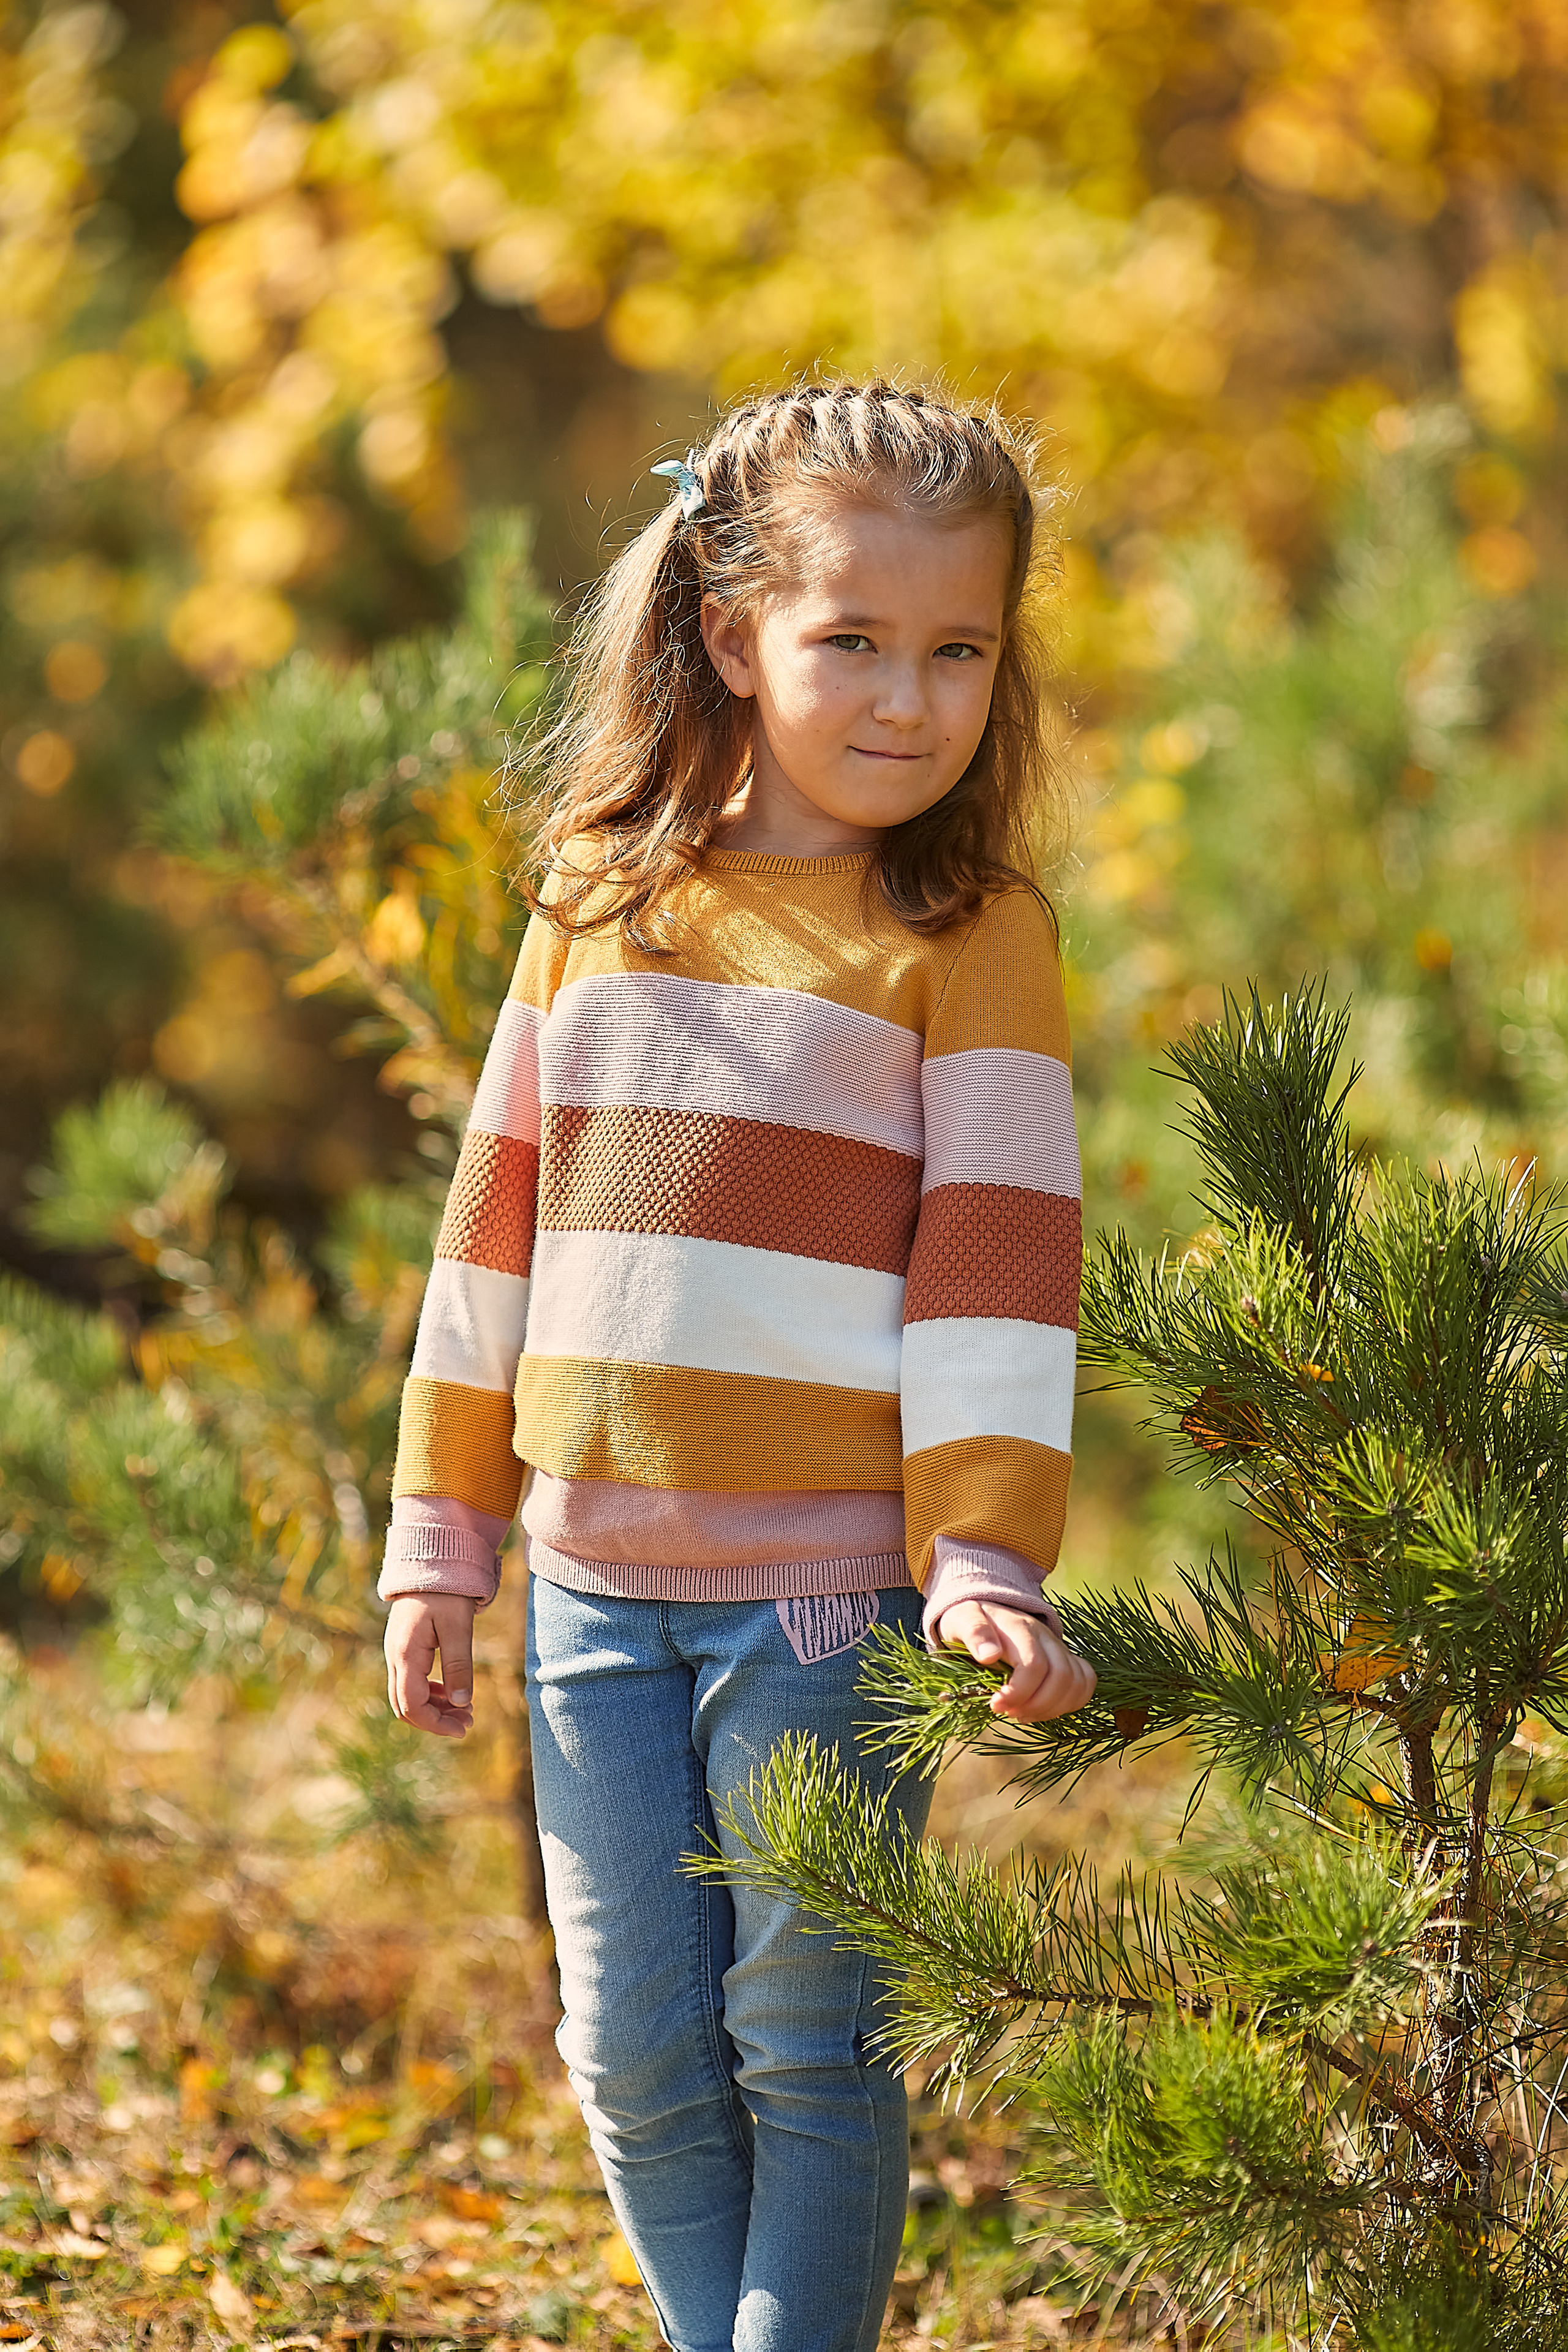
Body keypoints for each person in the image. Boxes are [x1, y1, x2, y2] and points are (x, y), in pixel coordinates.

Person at [380, 379, 1098, 2352]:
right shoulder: (599, 892)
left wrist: (982, 1548)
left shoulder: (967, 932)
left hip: (824, 1605)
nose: (909, 700)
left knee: (806, 2040)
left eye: (959, 651)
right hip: (589, 1600)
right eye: (851, 639)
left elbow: (999, 1261)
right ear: (728, 634)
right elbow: (492, 1232)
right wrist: (442, 1533)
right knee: (632, 2055)